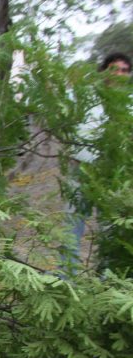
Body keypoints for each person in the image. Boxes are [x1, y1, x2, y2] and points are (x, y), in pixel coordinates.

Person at [64, 52, 131, 269]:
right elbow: (57, 106)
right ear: (103, 72)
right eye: (114, 68)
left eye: (124, 70)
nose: (119, 74)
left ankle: (106, 283)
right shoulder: (83, 95)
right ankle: (66, 278)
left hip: (114, 176)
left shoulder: (130, 103)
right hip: (81, 170)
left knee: (110, 230)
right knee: (72, 227)